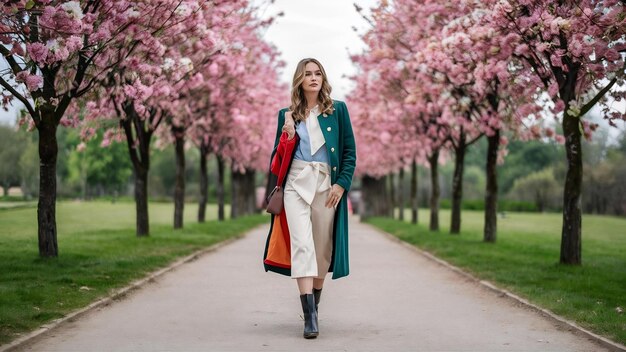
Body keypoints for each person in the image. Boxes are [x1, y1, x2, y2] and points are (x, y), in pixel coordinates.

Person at [262, 58, 357, 339]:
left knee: (322, 249)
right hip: (295, 183)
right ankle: (310, 316)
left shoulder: (337, 110)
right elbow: (277, 160)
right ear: (299, 80)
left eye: (318, 73)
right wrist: (287, 134)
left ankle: (313, 300)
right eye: (307, 74)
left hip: (326, 184)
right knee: (302, 246)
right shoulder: (287, 114)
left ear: (323, 78)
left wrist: (341, 185)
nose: (313, 78)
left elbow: (349, 152)